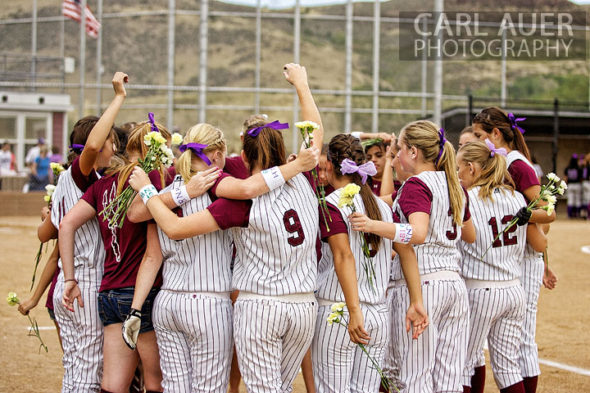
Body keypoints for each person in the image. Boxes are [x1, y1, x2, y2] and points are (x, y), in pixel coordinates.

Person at [127, 63, 322, 393]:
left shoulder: (234, 196)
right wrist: (302, 84)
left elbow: (159, 221)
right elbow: (313, 132)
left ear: (242, 158)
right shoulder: (304, 177)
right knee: (279, 387)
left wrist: (151, 190)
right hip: (303, 305)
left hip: (256, 305)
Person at [349, 120, 476, 393]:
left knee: (413, 375)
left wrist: (372, 226)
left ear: (414, 152)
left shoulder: (417, 185)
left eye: (398, 152)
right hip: (454, 284)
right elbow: (470, 235)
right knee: (449, 377)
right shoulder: (452, 183)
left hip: (422, 284)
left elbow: (417, 233)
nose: (395, 159)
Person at [311, 133, 427, 393]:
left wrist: (353, 312)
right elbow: (407, 252)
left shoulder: (331, 205)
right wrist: (416, 301)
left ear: (329, 165)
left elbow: (344, 256)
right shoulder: (382, 207)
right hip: (377, 314)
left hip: (341, 312)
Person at [45, 73, 127, 393]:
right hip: (84, 281)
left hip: (71, 280)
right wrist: (118, 97)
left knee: (76, 364)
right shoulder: (81, 175)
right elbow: (93, 144)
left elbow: (49, 230)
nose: (113, 146)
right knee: (88, 368)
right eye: (111, 140)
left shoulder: (67, 180)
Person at [472, 107, 556, 393]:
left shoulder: (517, 164)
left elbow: (547, 211)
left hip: (525, 259)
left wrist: (522, 216)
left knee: (521, 338)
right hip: (512, 256)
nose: (477, 141)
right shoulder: (502, 161)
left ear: (497, 133)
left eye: (480, 135)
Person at [457, 140, 547, 393]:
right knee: (508, 368)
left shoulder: (467, 199)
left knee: (463, 363)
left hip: (480, 291)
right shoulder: (516, 197)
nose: (458, 175)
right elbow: (541, 237)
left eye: (459, 169)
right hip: (513, 290)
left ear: (473, 168)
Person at [564, 154, 582, 218]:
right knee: (577, 200)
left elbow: (565, 178)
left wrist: (565, 186)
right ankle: (577, 214)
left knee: (570, 200)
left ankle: (569, 215)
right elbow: (581, 178)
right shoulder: (579, 168)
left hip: (570, 185)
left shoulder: (567, 168)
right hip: (577, 185)